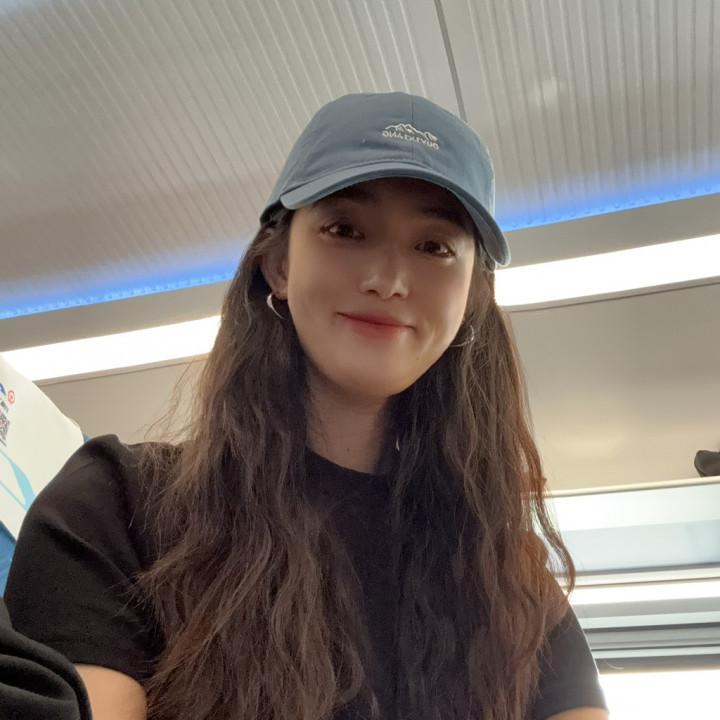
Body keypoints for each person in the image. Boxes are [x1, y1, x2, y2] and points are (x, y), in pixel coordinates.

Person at [4, 92, 608, 720]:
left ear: (472, 297)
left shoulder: (509, 581)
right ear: (278, 266)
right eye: (345, 230)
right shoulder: (113, 507)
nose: (388, 280)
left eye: (435, 246)